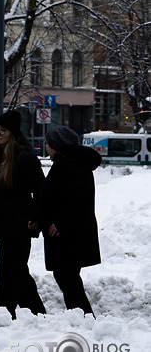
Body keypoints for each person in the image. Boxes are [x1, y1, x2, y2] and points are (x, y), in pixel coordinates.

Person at [0, 109, 46, 319]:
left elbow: (40, 190)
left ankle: (3, 312)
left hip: (20, 223)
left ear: (12, 132)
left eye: (3, 130)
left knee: (9, 268)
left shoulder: (24, 157)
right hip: (4, 223)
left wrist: (36, 219)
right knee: (17, 269)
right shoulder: (1, 155)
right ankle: (36, 312)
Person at [40, 126, 101, 315]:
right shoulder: (67, 163)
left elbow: (80, 199)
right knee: (68, 277)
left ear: (56, 145)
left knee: (67, 276)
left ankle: (83, 317)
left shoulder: (71, 165)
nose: (45, 146)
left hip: (70, 234)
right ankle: (81, 317)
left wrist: (61, 223)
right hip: (69, 233)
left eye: (48, 143)